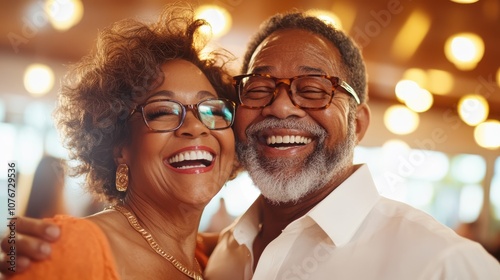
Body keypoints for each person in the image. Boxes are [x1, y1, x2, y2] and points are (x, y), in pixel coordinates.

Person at [3, 9, 500, 280]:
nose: (282, 108)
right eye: (259, 89)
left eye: (313, 88)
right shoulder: (225, 255)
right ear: (119, 148)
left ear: (359, 122)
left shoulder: (443, 265)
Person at [2, 3, 238, 280]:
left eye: (211, 109)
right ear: (120, 149)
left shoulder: (214, 260)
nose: (195, 127)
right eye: (163, 111)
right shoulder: (73, 250)